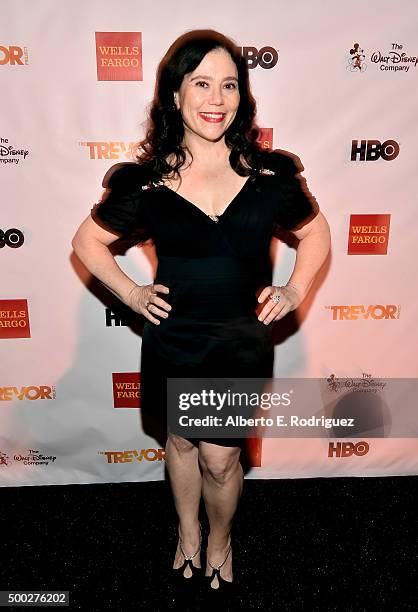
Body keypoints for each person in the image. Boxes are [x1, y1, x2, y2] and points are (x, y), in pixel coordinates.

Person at [72, 29, 331, 596]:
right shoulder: (148, 180)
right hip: (174, 338)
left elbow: (315, 233)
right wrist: (135, 294)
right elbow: (87, 242)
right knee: (182, 444)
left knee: (220, 458)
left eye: (230, 85)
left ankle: (220, 537)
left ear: (242, 96)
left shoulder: (267, 177)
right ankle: (188, 531)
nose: (217, 98)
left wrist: (294, 289)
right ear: (175, 95)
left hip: (238, 342)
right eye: (202, 83)